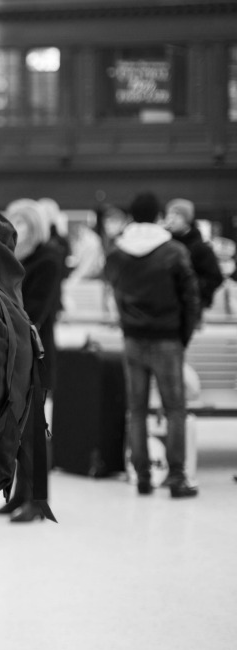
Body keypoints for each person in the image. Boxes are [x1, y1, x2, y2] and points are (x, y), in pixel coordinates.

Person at [105, 191, 201, 498]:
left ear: (132, 216)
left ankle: (143, 476)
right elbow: (190, 298)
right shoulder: (173, 251)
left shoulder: (117, 251)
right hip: (167, 339)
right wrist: (182, 335)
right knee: (174, 410)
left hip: (133, 339)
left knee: (136, 410)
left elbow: (114, 294)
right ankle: (176, 477)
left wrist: (126, 325)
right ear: (159, 215)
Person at [0, 199, 64, 523]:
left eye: (25, 223)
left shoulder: (48, 258)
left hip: (36, 356)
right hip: (14, 356)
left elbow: (37, 310)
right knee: (19, 432)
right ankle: (21, 495)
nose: (18, 228)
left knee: (35, 432)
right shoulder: (10, 260)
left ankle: (38, 501)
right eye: (14, 221)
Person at [164, 198, 224, 313]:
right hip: (166, 308)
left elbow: (215, 278)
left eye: (177, 215)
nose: (171, 219)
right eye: (169, 215)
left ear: (187, 219)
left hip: (191, 309)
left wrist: (194, 292)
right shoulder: (164, 245)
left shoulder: (201, 248)